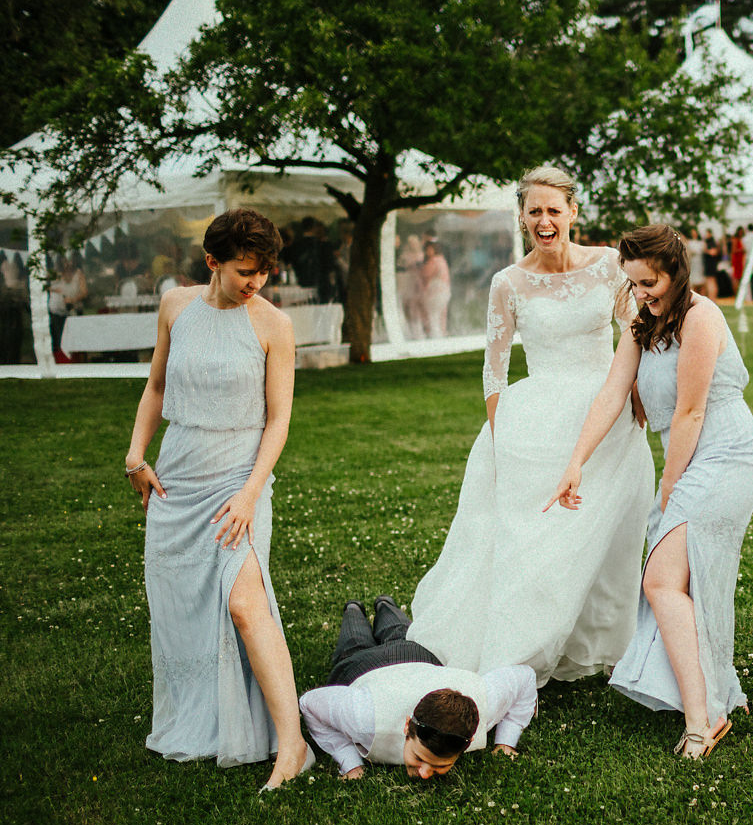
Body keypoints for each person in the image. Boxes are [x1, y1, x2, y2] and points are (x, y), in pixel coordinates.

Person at [405, 165, 654, 682]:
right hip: (535, 422)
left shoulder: (610, 266)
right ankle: (525, 645)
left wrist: (635, 394)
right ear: (521, 217)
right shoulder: (508, 283)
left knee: (613, 535)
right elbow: (493, 370)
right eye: (534, 210)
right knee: (539, 542)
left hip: (606, 417)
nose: (544, 220)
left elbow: (635, 333)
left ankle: (603, 646)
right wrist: (501, 439)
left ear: (573, 214)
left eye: (553, 210)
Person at [549, 224, 753, 759]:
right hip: (688, 460)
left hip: (723, 456)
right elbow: (611, 394)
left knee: (662, 582)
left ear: (674, 272)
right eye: (633, 282)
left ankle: (702, 718)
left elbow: (691, 410)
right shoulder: (643, 326)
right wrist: (576, 461)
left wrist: (670, 485)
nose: (641, 293)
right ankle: (706, 705)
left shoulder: (701, 316)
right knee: (671, 584)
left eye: (649, 282)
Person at [123, 208, 311, 791]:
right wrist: (136, 455)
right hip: (177, 480)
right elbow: (156, 386)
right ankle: (207, 718)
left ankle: (293, 744)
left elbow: (279, 420)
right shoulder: (175, 307)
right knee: (183, 613)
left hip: (238, 479)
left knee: (245, 605)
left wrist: (251, 494)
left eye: (264, 272)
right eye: (244, 271)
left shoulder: (274, 325)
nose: (256, 282)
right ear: (213, 263)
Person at [299, 597, 538, 780]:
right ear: (407, 726)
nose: (424, 773)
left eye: (441, 765)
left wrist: (506, 742)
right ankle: (353, 609)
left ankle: (385, 603)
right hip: (362, 665)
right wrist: (350, 762)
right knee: (354, 640)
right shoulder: (362, 716)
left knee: (400, 632)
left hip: (414, 655)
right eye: (419, 757)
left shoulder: (485, 706)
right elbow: (310, 703)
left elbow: (524, 677)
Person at [48, 255, 88, 359]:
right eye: (65, 260)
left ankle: (75, 360)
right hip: (57, 310)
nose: (68, 263)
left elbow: (84, 292)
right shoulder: (54, 273)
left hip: (73, 309)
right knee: (58, 337)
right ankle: (61, 360)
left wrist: (73, 299)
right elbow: (46, 287)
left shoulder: (79, 273)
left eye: (70, 260)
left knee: (74, 337)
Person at [419, 239, 452, 338]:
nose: (428, 252)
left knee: (433, 316)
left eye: (429, 250)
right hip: (444, 291)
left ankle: (435, 336)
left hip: (435, 291)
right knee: (439, 316)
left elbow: (425, 274)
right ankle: (440, 335)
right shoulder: (442, 260)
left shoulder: (434, 261)